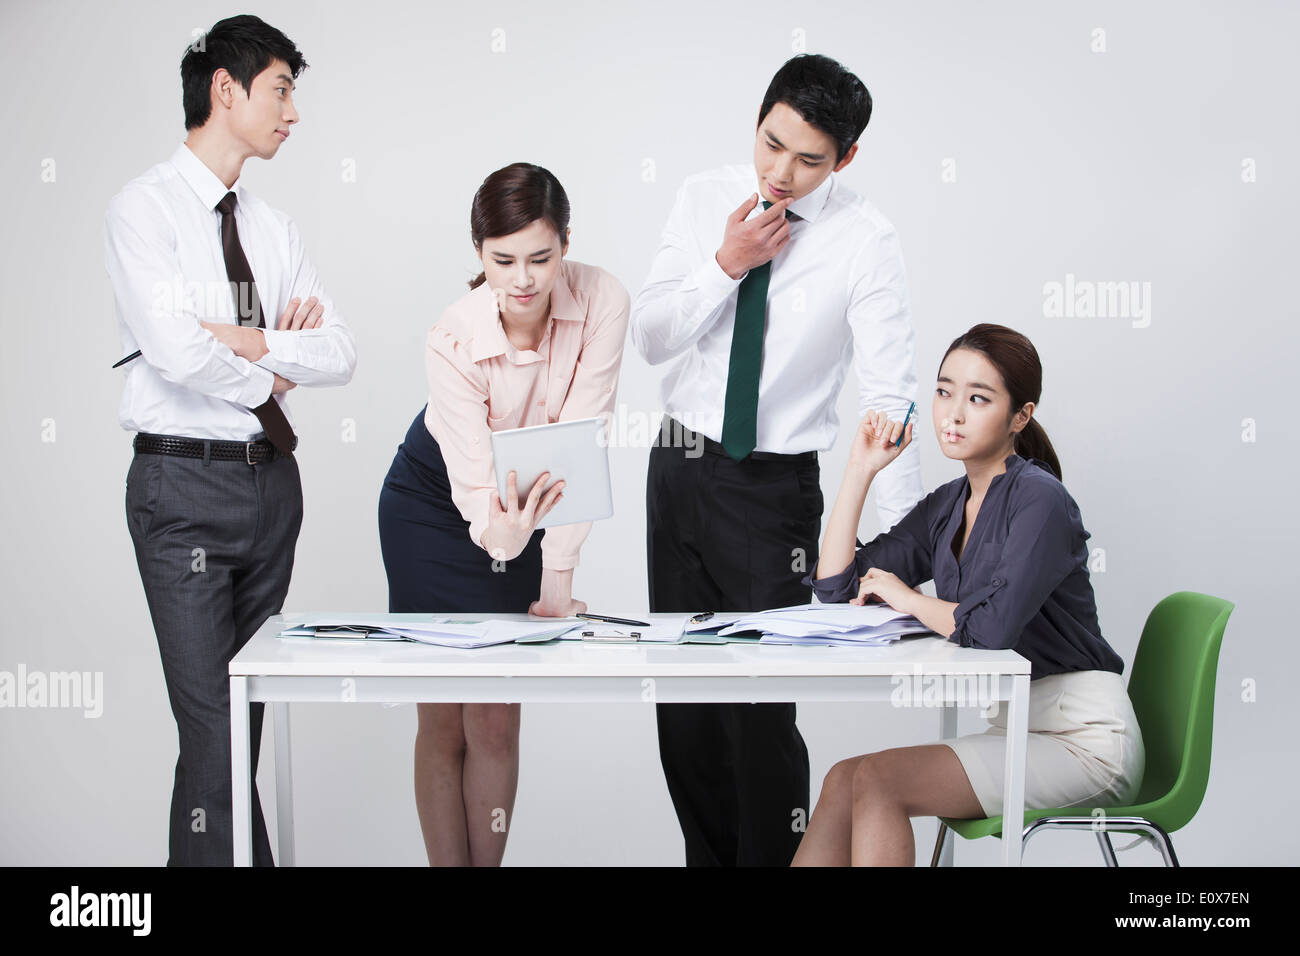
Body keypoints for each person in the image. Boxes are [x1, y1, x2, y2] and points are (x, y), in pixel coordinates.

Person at [630, 53, 925, 866]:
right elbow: (651, 337)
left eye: (809, 159)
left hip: (772, 494)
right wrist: (725, 263)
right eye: (772, 144)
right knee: (684, 715)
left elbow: (889, 398)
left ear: (847, 159)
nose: (782, 172)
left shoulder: (866, 240)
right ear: (757, 120)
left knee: (758, 714)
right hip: (680, 470)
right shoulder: (701, 198)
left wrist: (908, 556)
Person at [106, 15, 357, 865]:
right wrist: (272, 371)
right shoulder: (143, 210)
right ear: (226, 88)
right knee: (213, 725)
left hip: (269, 488)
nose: (294, 113)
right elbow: (174, 352)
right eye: (282, 90)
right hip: (181, 492)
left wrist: (248, 342)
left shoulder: (275, 229)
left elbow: (341, 352)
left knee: (235, 722)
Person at [791, 323, 1145, 866]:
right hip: (1019, 727)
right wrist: (859, 470)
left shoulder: (1039, 501)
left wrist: (907, 598)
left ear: (1019, 417)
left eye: (978, 398)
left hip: (1085, 740)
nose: (952, 413)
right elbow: (838, 587)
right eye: (943, 391)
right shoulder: (949, 503)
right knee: (846, 778)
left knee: (880, 783)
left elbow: (992, 628)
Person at [378, 163, 631, 866]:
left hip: (535, 487)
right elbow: (475, 493)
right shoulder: (452, 337)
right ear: (479, 253)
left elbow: (582, 446)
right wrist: (503, 536)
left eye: (541, 258)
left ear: (566, 244)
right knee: (443, 713)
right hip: (436, 501)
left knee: (494, 714)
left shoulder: (604, 299)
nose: (523, 279)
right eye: (503, 260)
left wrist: (556, 582)